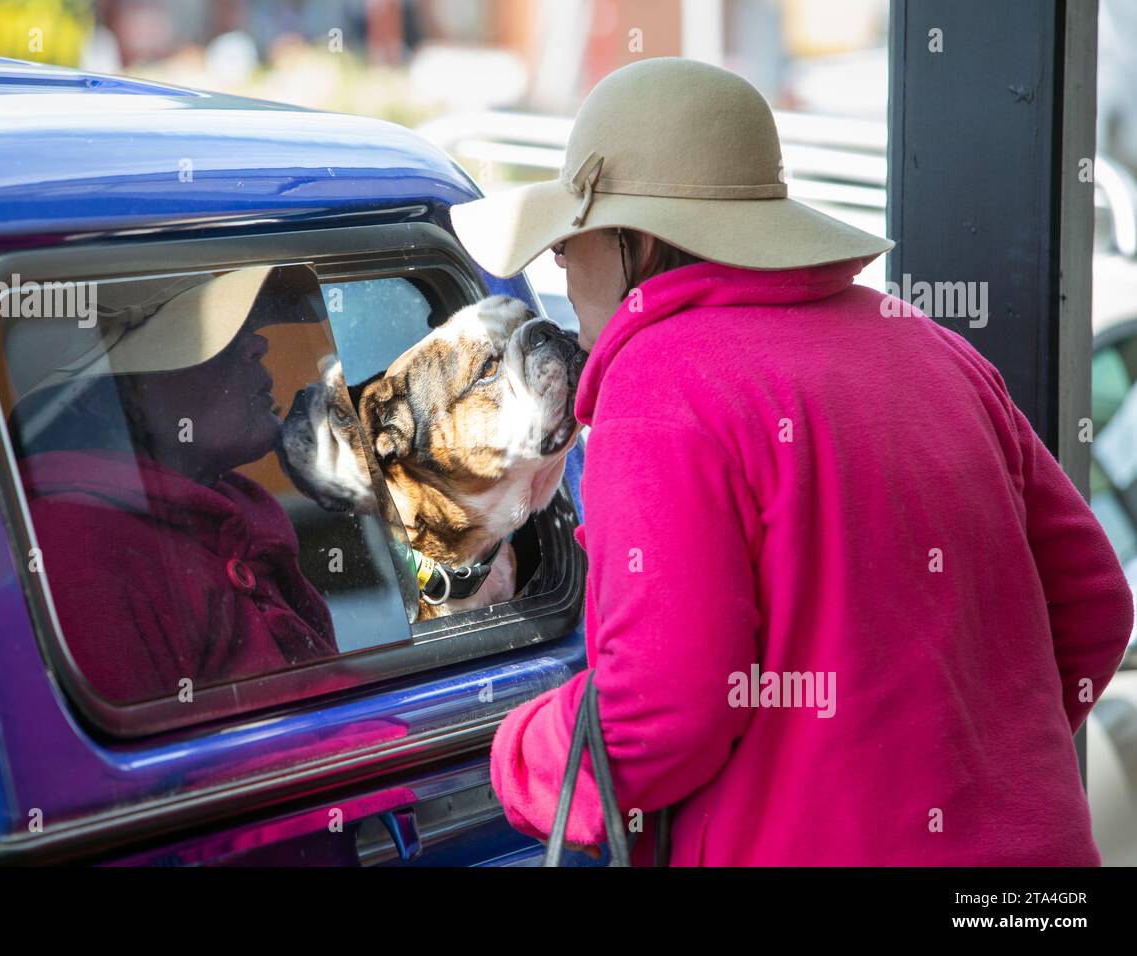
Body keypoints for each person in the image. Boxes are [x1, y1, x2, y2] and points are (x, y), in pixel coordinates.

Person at [449, 57, 1135, 865]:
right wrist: (969, 761)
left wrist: (521, 754)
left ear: (635, 240)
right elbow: (1093, 605)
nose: (558, 264)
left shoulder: (660, 380)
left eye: (574, 236)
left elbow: (662, 705)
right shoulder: (926, 342)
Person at [4, 266, 337, 705]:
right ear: (102, 398)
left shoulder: (231, 514)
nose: (258, 344)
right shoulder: (74, 548)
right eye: (214, 340)